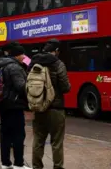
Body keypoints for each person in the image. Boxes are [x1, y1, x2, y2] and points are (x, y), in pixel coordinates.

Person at [28, 39, 71, 169]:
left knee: (38, 140)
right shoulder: (58, 64)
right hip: (55, 108)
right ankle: (58, 167)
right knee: (56, 142)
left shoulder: (33, 62)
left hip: (39, 108)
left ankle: (36, 166)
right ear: (56, 51)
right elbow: (65, 87)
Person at [0, 44, 31, 169]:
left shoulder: (1, 65)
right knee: (19, 135)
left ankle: (5, 162)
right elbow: (21, 86)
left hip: (3, 104)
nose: (24, 56)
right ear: (17, 55)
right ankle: (19, 163)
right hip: (14, 105)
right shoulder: (14, 67)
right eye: (22, 54)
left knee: (5, 134)